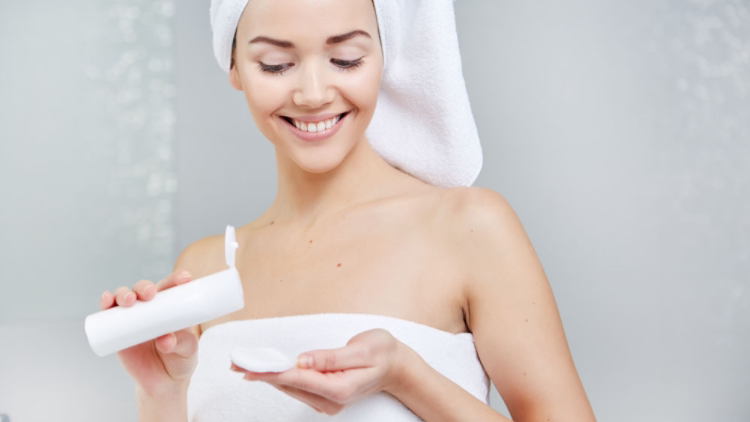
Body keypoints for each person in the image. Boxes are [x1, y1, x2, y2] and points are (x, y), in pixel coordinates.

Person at [99, 0, 597, 420]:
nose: (313, 94)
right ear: (234, 67)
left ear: (384, 55)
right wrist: (160, 393)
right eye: (276, 64)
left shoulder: (467, 229)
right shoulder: (205, 270)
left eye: (346, 59)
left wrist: (407, 376)